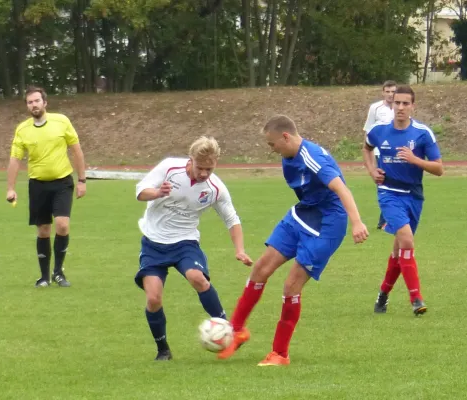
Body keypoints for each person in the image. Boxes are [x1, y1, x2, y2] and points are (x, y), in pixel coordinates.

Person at [217, 115, 369, 366]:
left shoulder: (313, 158)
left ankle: (280, 353)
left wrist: (357, 222)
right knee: (260, 269)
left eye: (272, 144)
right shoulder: (289, 156)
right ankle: (236, 331)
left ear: (286, 137)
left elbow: (341, 188)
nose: (272, 150)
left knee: (290, 286)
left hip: (327, 224)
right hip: (303, 213)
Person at [134, 136, 253, 361]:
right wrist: (158, 192)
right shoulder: (170, 167)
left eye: (210, 168)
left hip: (185, 243)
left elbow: (231, 218)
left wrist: (240, 249)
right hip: (153, 243)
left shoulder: (215, 188)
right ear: (191, 160)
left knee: (198, 278)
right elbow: (140, 191)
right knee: (153, 299)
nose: (205, 174)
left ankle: (230, 331)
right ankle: (163, 350)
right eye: (201, 168)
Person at [362, 85, 443, 316]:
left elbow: (438, 169)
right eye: (397, 103)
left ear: (412, 106)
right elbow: (366, 148)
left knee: (399, 252)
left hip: (414, 196)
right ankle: (416, 298)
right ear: (391, 104)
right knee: (406, 241)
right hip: (388, 193)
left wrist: (415, 160)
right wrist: (371, 170)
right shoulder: (379, 130)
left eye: (405, 103)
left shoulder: (422, 133)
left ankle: (383, 295)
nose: (400, 107)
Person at [6, 86, 87, 288]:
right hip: (38, 185)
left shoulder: (61, 122)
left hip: (62, 182)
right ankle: (44, 277)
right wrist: (10, 187)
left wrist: (82, 180)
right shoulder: (22, 129)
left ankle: (58, 272)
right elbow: (15, 160)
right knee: (43, 230)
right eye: (29, 102)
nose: (33, 105)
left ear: (45, 103)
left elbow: (77, 151)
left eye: (36, 101)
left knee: (62, 225)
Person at [363, 80, 397, 229]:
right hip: (379, 153)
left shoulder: (400, 107)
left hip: (398, 153)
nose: (390, 95)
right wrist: (370, 161)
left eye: (393, 91)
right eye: (387, 91)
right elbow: (368, 132)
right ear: (383, 92)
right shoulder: (375, 108)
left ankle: (387, 220)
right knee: (384, 184)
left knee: (396, 184)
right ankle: (384, 222)